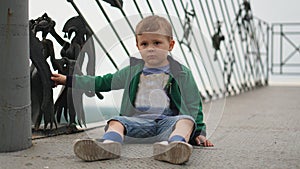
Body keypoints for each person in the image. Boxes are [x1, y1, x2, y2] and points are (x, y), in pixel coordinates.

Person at [51, 15, 213, 165]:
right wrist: (68, 80)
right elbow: (102, 82)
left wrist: (199, 133)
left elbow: (193, 105)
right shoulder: (132, 70)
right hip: (138, 125)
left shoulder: (181, 73)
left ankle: (174, 146)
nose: (150, 48)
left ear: (170, 45)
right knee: (116, 121)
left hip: (166, 125)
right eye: (144, 44)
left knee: (186, 121)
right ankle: (109, 145)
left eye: (157, 43)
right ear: (137, 46)